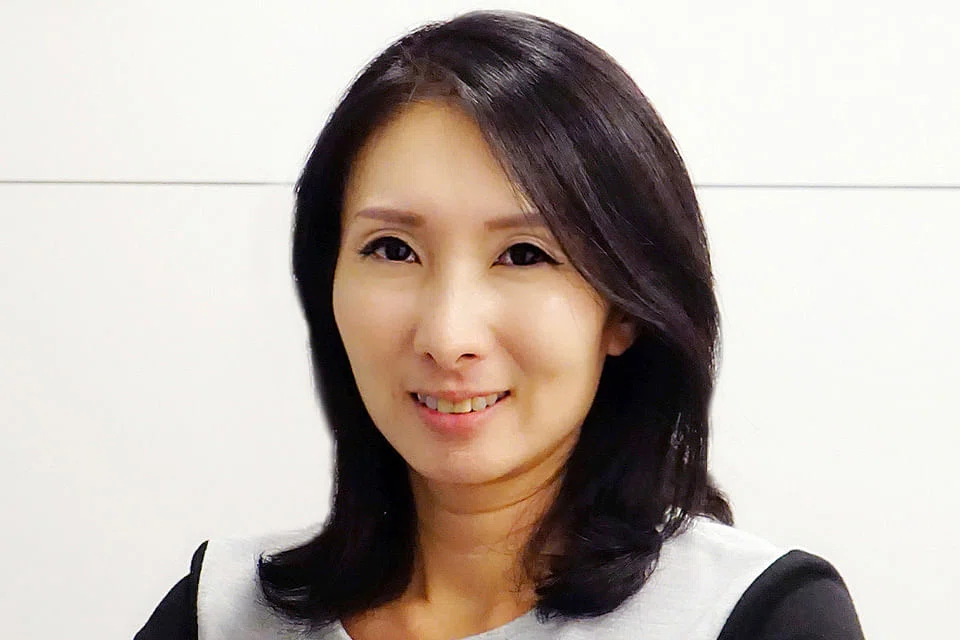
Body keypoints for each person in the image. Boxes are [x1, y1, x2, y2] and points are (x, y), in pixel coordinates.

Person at [136, 10, 864, 640]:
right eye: (393, 249)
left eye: (524, 255)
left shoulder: (754, 618)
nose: (448, 336)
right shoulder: (220, 615)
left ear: (624, 307)